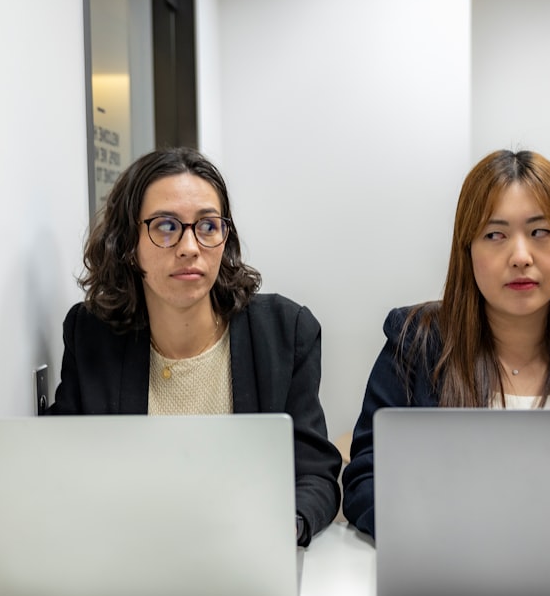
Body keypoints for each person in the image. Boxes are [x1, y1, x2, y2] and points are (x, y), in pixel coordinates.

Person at [341, 149, 550, 539]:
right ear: (467, 250)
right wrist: (444, 533)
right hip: (448, 575)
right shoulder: (416, 343)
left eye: (541, 232)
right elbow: (367, 480)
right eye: (495, 235)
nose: (520, 256)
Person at [46, 147, 341, 546]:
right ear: (129, 244)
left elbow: (314, 474)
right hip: (128, 558)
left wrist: (285, 526)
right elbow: (59, 468)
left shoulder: (285, 332)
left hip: (244, 558)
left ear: (225, 237)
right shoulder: (91, 334)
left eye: (207, 226)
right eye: (166, 226)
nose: (189, 246)